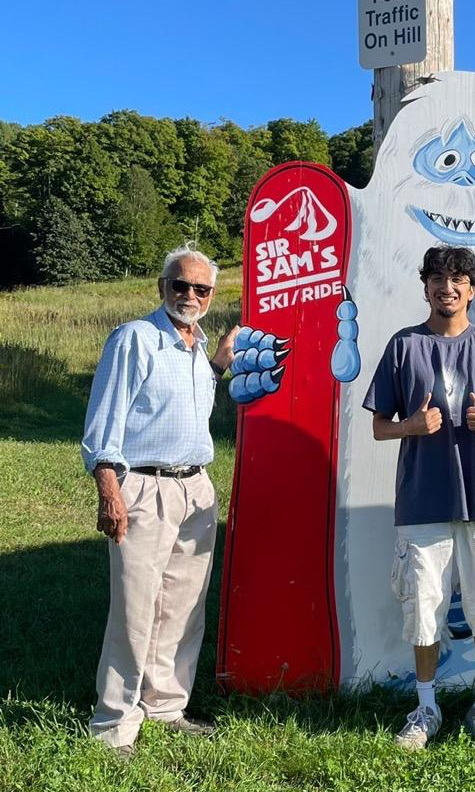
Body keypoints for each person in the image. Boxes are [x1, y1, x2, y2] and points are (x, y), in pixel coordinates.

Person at [363, 246, 475, 752]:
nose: (446, 287)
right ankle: (426, 708)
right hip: (421, 502)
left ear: (472, 289)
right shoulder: (403, 345)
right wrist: (410, 426)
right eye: (437, 278)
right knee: (423, 608)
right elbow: (379, 426)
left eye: (457, 279)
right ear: (426, 287)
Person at [81, 243, 238, 758]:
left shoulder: (196, 346)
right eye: (180, 284)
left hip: (195, 487)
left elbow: (190, 408)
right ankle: (114, 724)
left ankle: (166, 706)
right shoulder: (135, 339)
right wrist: (109, 492)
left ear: (211, 295)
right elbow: (103, 422)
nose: (190, 295)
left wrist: (217, 366)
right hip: (144, 487)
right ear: (161, 287)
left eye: (201, 288)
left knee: (183, 606)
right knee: (135, 607)